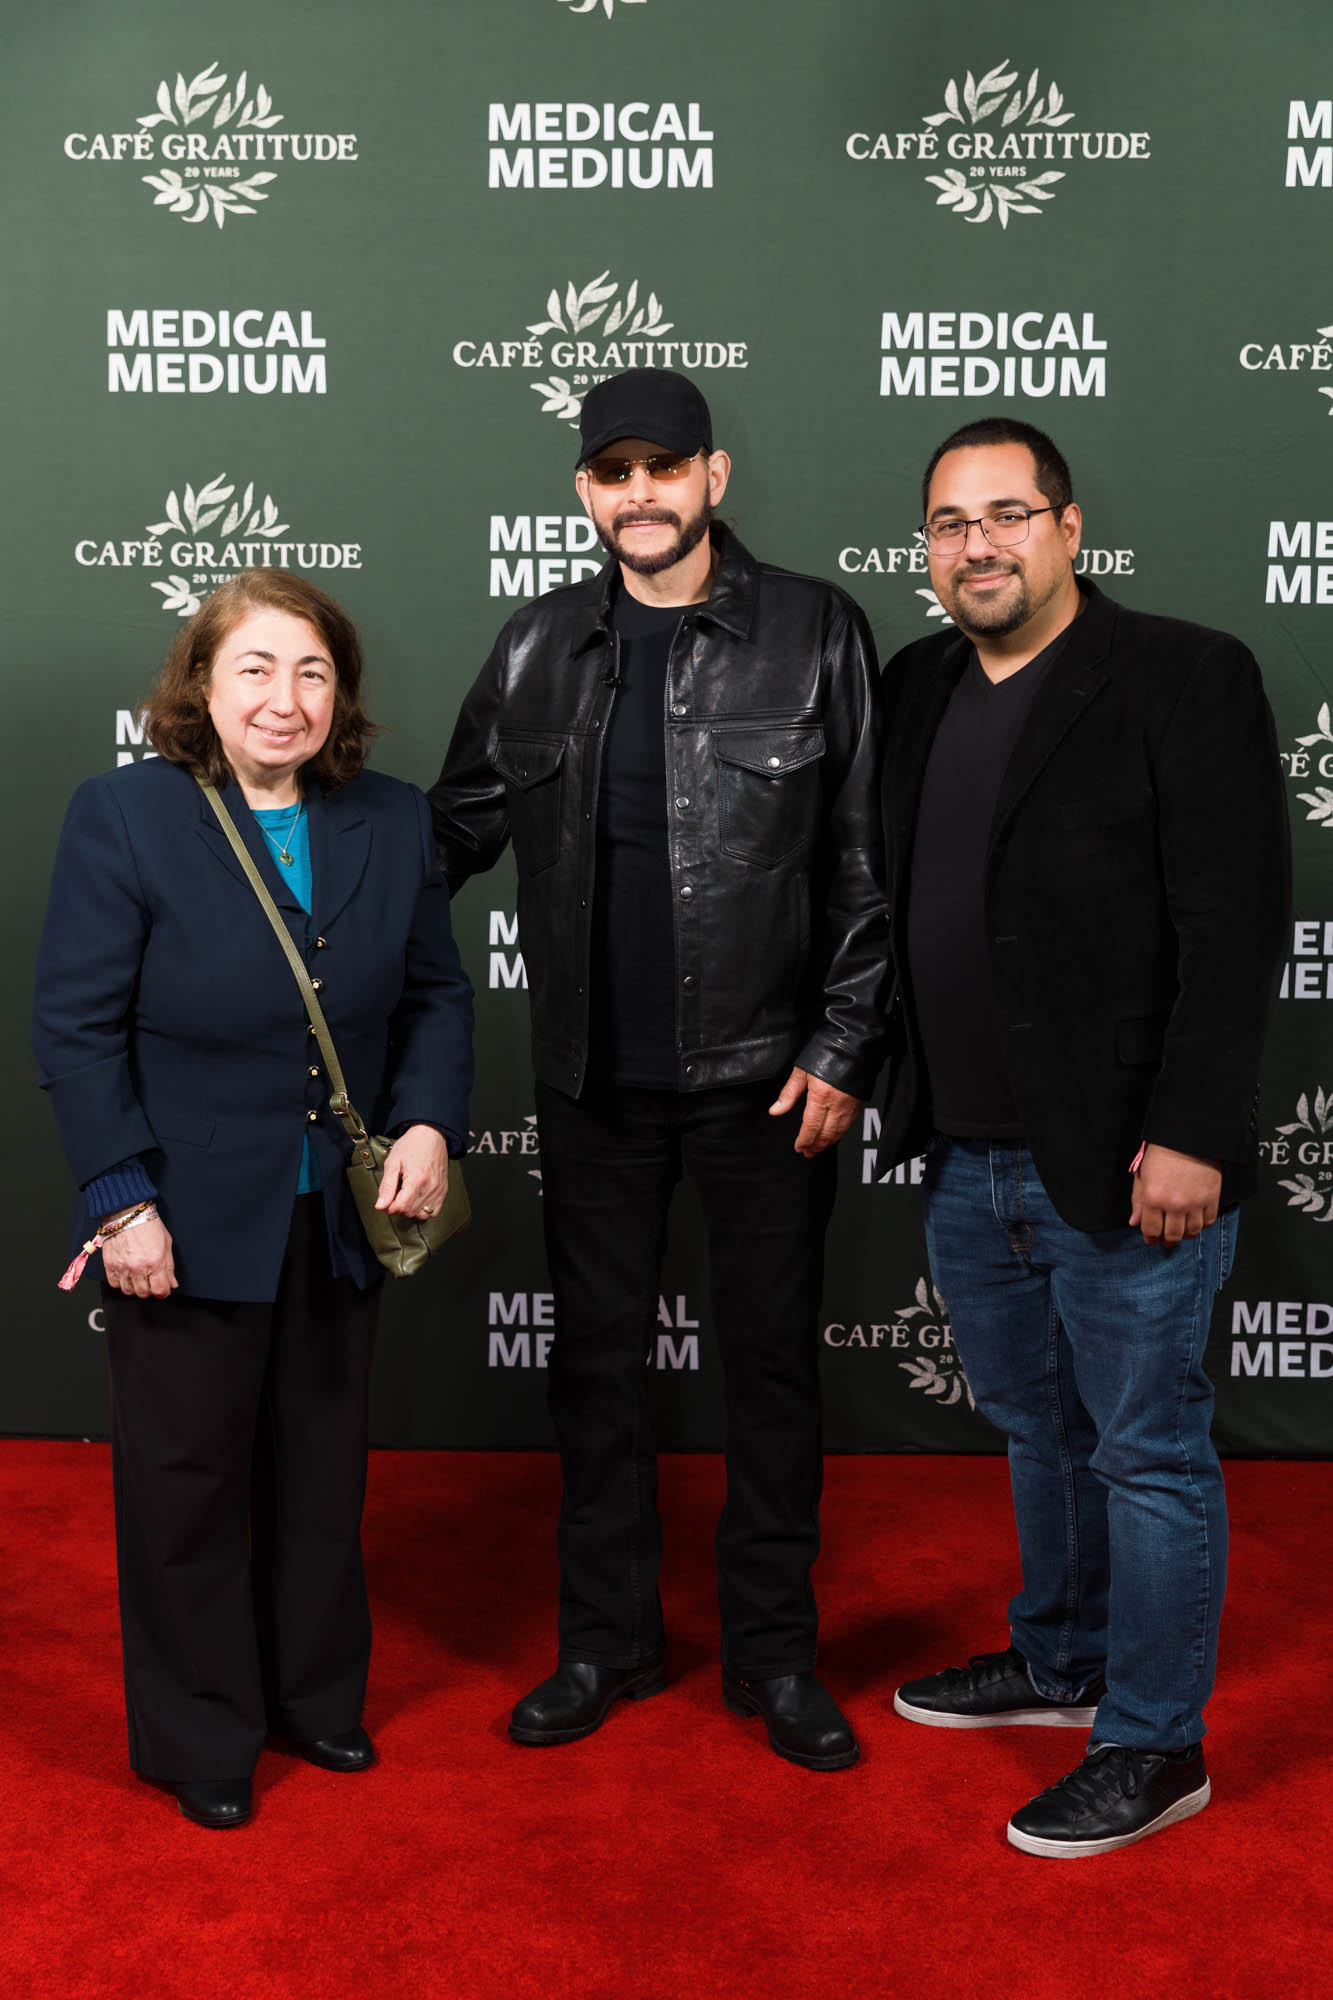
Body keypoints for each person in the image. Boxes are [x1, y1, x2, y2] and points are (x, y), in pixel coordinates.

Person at [430, 367, 886, 1769]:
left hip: (767, 1080)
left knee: (772, 1376)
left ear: (713, 477)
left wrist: (843, 1042)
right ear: (585, 490)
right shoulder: (534, 646)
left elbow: (866, 853)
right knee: (594, 1375)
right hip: (590, 1085)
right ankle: (604, 1642)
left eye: (665, 467)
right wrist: (271, 854)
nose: (641, 493)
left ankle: (775, 1657)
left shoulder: (814, 629)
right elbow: (446, 833)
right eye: (614, 471)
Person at [877, 417, 1289, 1856]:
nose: (976, 544)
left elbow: (1234, 924)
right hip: (965, 1144)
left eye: (1007, 513)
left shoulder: (1184, 673)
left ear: (1065, 527)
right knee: (1035, 1427)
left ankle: (1154, 1740)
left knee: (1146, 1449)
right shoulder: (915, 682)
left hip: (1126, 1152)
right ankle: (1061, 1659)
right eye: (949, 522)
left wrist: (1192, 1132)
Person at [33, 569, 473, 1830]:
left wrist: (430, 1120)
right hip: (179, 1212)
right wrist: (120, 1198)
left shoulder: (391, 816)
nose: (286, 698)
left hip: (335, 1211)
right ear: (202, 685)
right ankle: (201, 1732)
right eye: (257, 669)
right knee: (186, 1485)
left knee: (319, 1473)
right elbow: (75, 1025)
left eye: (313, 671)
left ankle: (313, 1696)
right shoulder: (124, 813)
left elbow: (437, 993)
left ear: (342, 694)